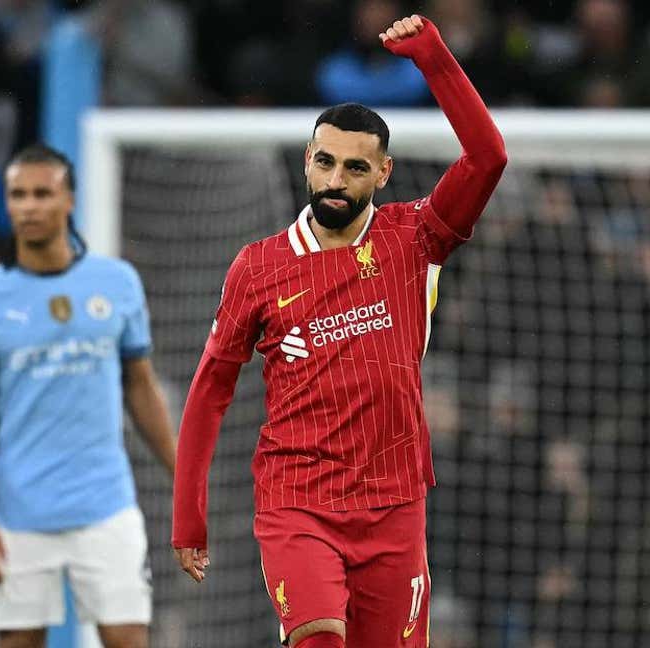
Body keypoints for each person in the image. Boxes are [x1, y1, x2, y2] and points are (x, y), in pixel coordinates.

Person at [172, 16, 507, 648]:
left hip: (395, 502)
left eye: (355, 168)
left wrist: (434, 59)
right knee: (321, 637)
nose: (335, 179)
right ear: (307, 161)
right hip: (299, 501)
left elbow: (488, 157)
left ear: (383, 174)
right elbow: (211, 388)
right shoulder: (259, 266)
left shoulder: (415, 239)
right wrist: (189, 516)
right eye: (324, 162)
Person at [0, 146, 176, 648]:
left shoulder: (116, 283)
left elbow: (140, 385)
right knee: (20, 642)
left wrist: (183, 476)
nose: (29, 206)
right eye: (18, 195)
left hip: (106, 502)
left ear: (68, 199)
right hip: (16, 508)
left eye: (42, 193)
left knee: (128, 638)